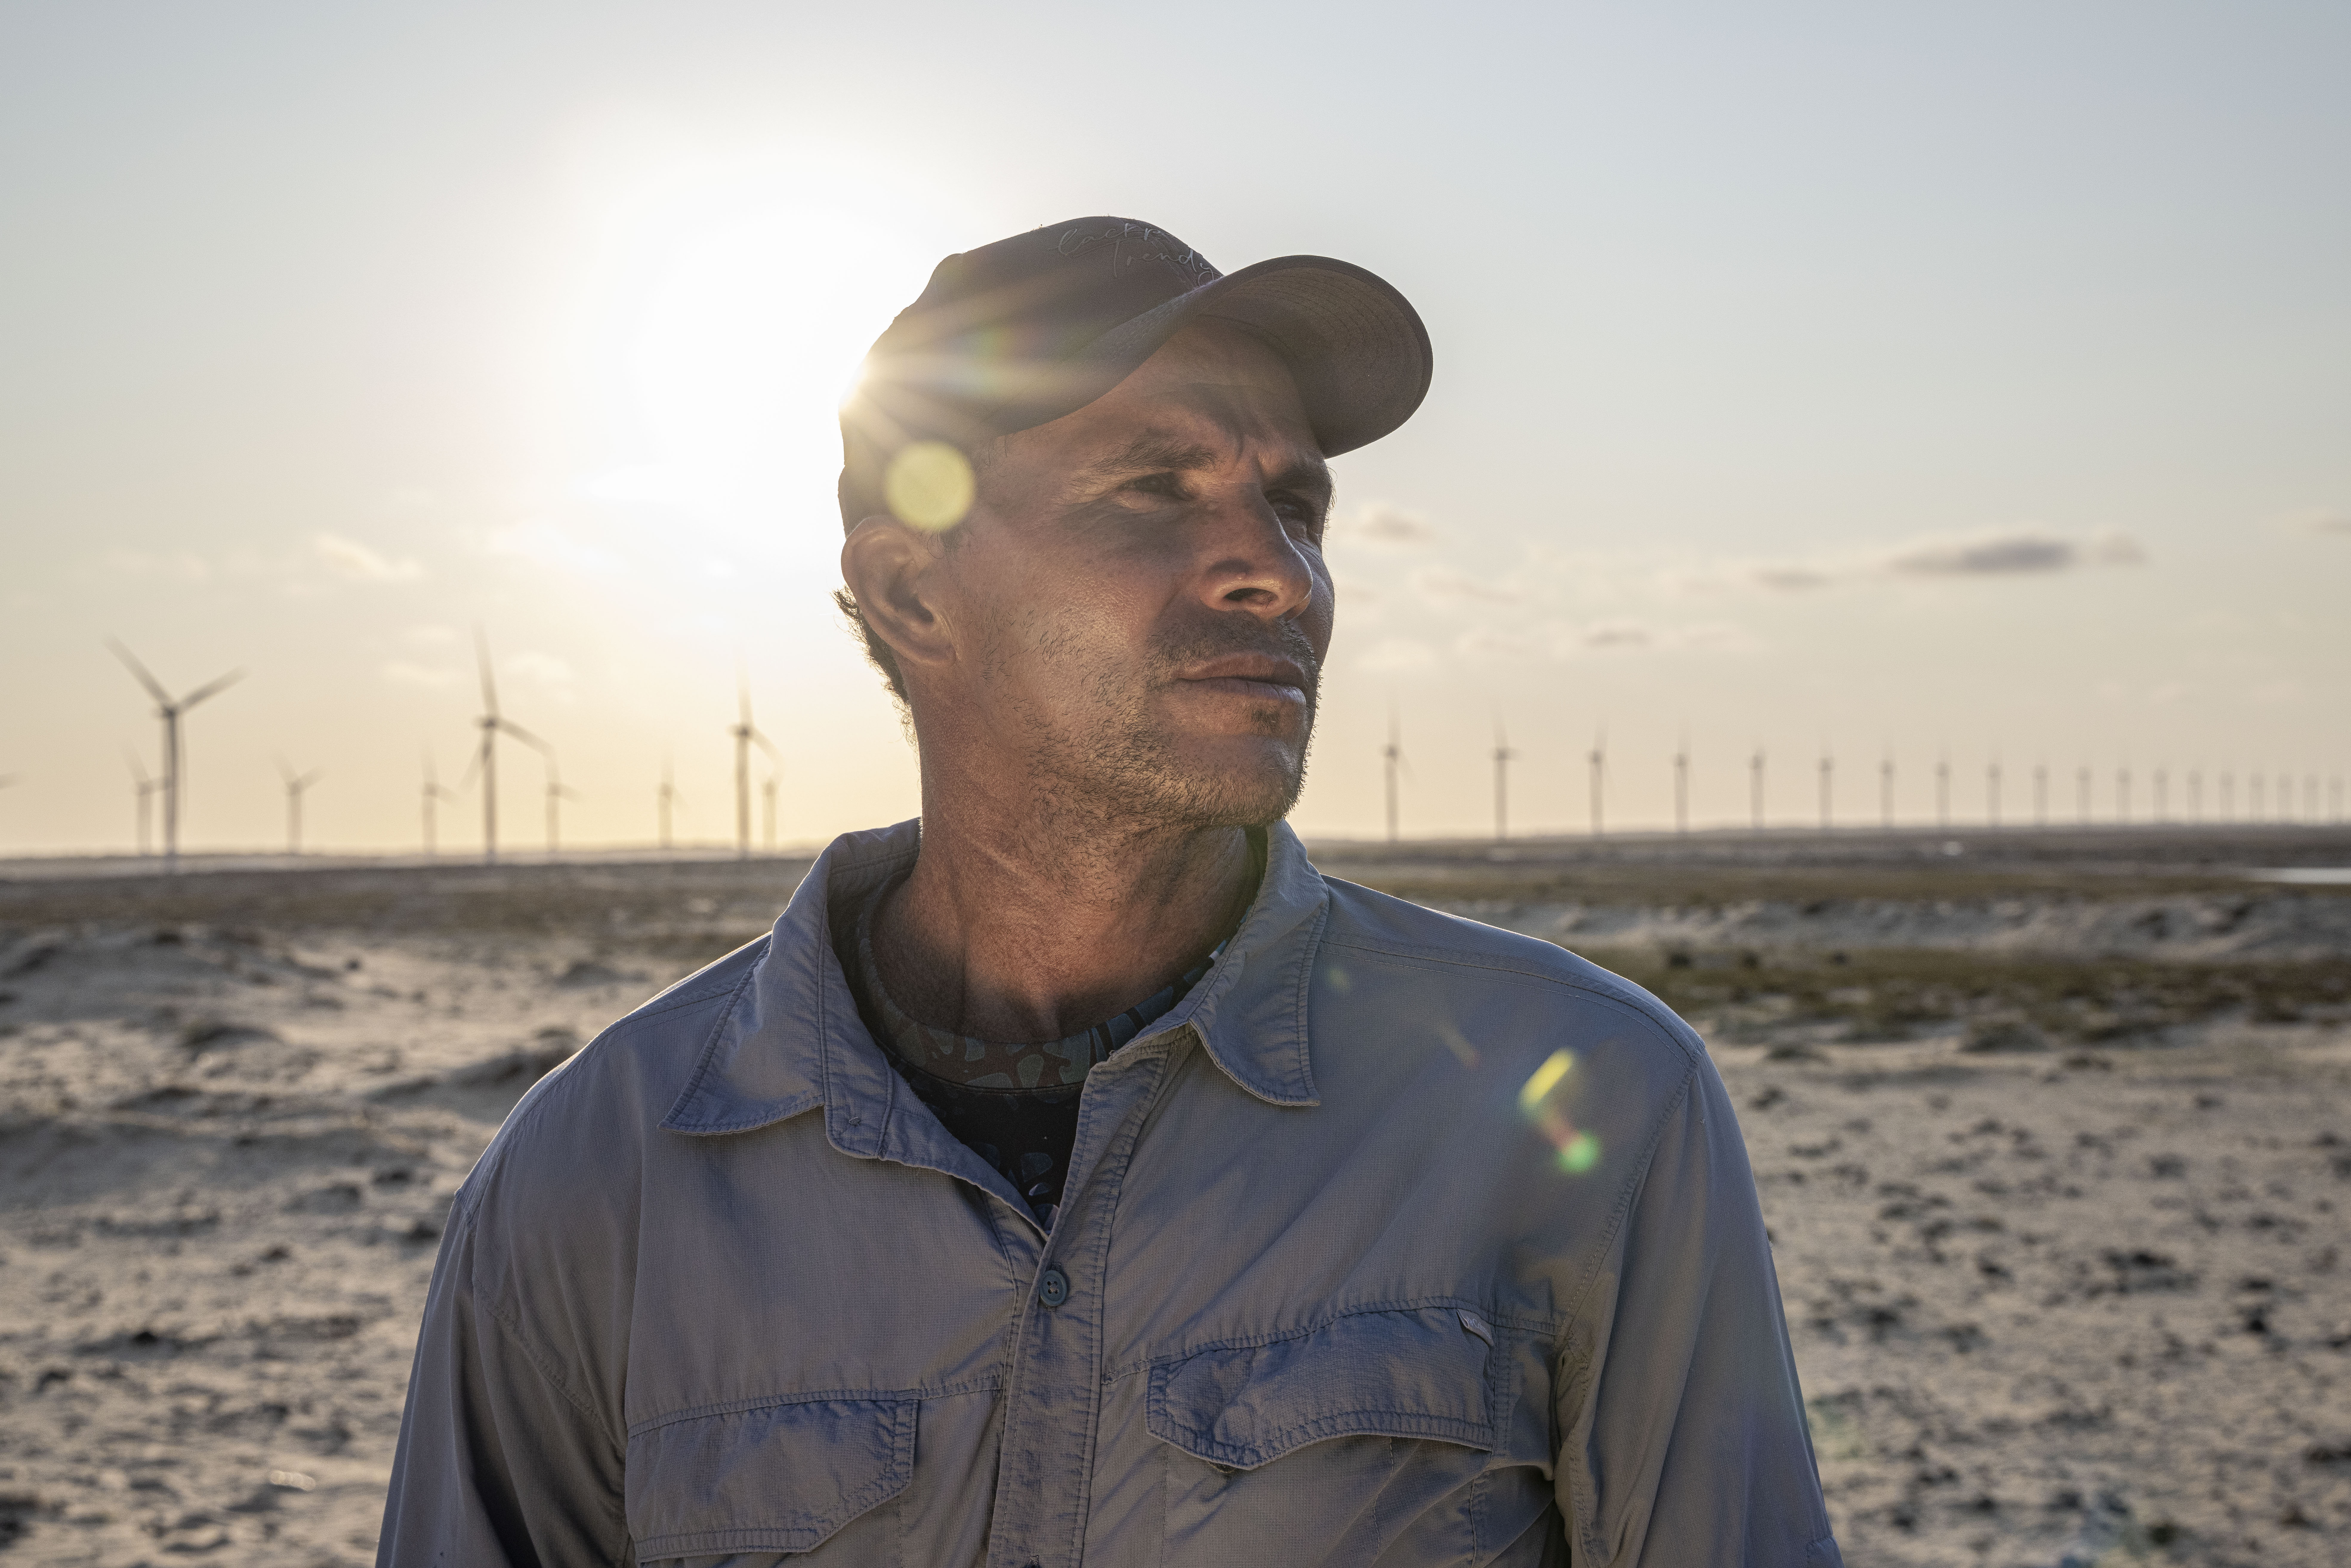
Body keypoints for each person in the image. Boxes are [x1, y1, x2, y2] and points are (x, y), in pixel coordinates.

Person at [377, 217, 1842, 1567]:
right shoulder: (597, 1184)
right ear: (911, 596)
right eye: (1153, 491)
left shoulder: (1586, 1103)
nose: (1276, 574)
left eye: (1295, 506)